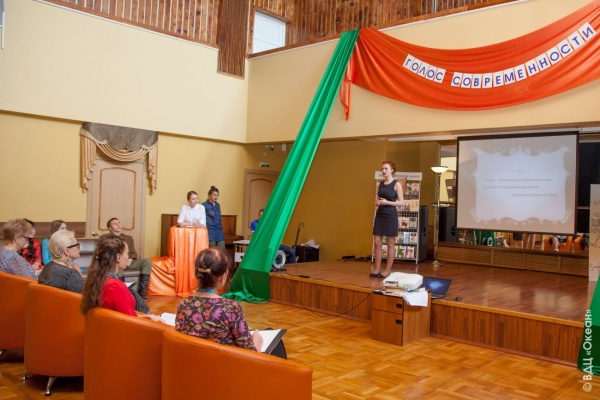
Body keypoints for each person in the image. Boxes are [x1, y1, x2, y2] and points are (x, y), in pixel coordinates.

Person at [175, 247, 263, 351]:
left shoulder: (183, 305)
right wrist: (257, 342)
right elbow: (250, 353)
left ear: (197, 274)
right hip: (225, 361)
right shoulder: (230, 308)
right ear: (222, 277)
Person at [80, 235, 162, 322]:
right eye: (127, 253)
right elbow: (130, 322)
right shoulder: (115, 286)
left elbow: (122, 316)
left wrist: (146, 317)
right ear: (118, 257)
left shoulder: (96, 279)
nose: (128, 256)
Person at [101, 218, 153, 299]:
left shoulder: (128, 238)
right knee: (119, 264)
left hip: (128, 262)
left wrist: (130, 259)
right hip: (115, 263)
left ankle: (142, 291)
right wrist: (121, 261)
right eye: (115, 224)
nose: (118, 225)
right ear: (110, 228)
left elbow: (133, 253)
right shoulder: (105, 238)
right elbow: (105, 253)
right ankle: (123, 291)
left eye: (118, 223)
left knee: (147, 261)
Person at [371, 161, 404, 278]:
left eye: (386, 168)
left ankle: (387, 270)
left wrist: (387, 202)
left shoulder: (397, 184)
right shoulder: (379, 184)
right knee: (377, 242)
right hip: (380, 214)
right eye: (382, 169)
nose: (383, 171)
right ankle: (376, 269)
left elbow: (401, 202)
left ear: (392, 170)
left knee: (390, 243)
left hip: (390, 215)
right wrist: (377, 202)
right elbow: (378, 199)